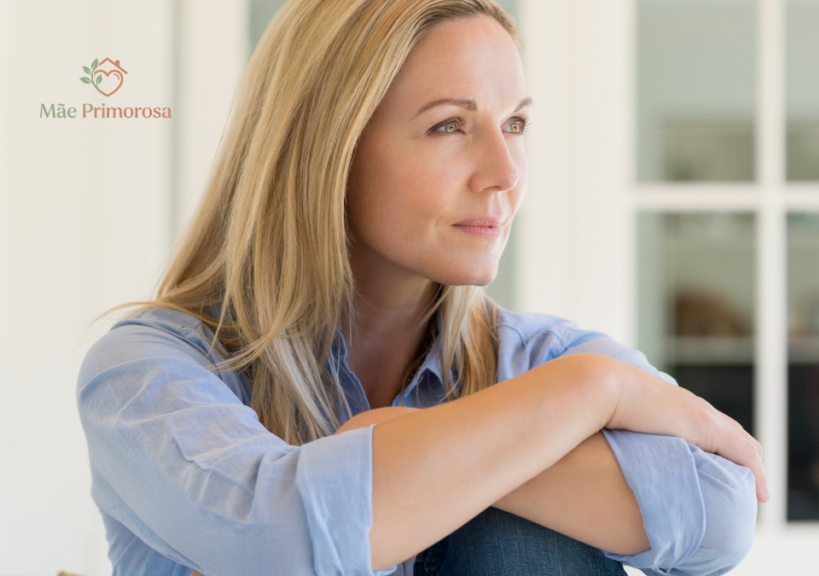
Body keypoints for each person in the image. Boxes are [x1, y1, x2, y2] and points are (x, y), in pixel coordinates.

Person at [75, 1, 768, 575]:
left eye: (516, 123)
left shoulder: (537, 357)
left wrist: (404, 439)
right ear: (329, 149)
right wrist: (593, 393)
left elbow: (723, 515)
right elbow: (279, 539)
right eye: (449, 125)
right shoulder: (145, 372)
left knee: (512, 535)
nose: (505, 173)